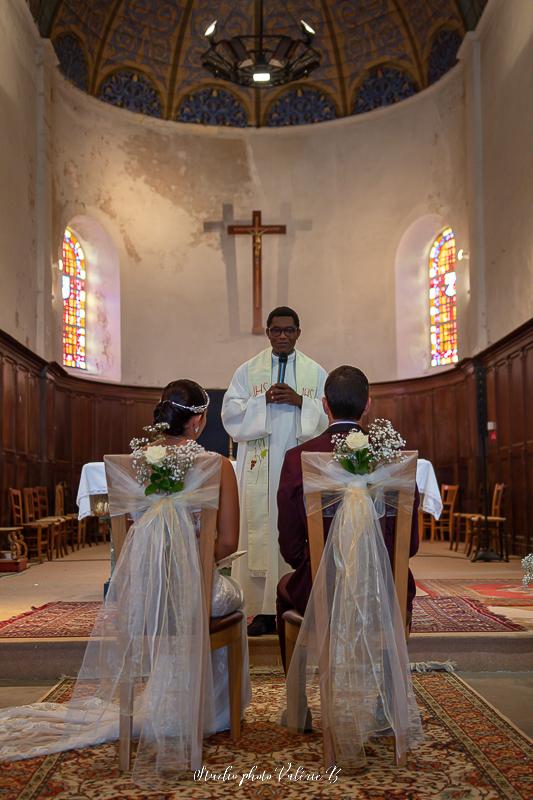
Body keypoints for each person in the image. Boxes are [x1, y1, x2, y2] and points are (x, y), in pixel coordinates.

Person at [0, 379, 251, 780]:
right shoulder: (218, 466)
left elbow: (131, 540)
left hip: (144, 592)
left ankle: (171, 702)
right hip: (196, 592)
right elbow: (228, 543)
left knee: (184, 597)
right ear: (199, 422)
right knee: (234, 599)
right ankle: (213, 711)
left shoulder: (135, 466)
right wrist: (194, 558)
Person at [276, 365, 419, 670]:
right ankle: (389, 697)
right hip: (385, 589)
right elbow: (413, 544)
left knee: (285, 587)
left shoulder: (298, 458)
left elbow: (289, 546)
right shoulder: (394, 458)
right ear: (368, 404)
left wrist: (321, 566)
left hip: (320, 588)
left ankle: (298, 702)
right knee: (402, 583)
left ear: (325, 405)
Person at [221, 307, 328, 636]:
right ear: (267, 332)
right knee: (260, 532)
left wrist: (300, 402)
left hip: (296, 466)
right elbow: (229, 415)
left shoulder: (315, 372)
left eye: (289, 330)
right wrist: (261, 403)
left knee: (294, 530)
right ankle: (262, 610)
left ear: (299, 332)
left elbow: (327, 415)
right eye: (276, 330)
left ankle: (297, 600)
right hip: (259, 466)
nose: (283, 336)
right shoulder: (246, 371)